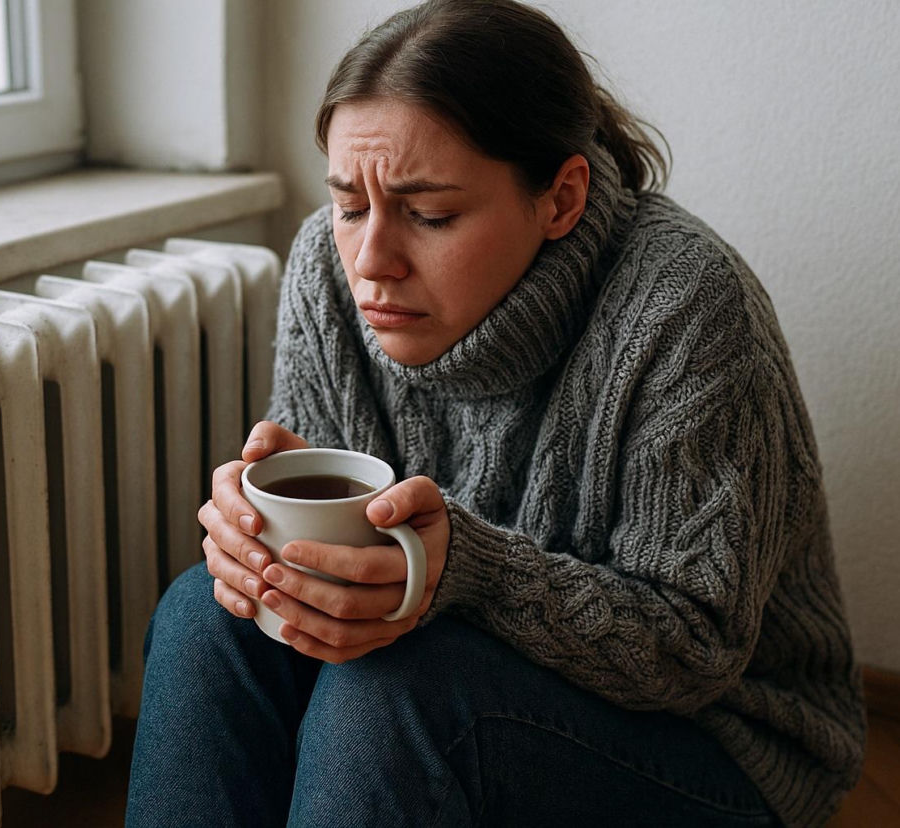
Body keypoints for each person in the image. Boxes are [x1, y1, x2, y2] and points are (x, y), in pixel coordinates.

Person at [125, 1, 866, 825]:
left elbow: (694, 651)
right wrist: (258, 549)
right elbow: (329, 563)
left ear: (560, 200)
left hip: (718, 738)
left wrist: (467, 574)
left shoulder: (687, 309)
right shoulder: (328, 272)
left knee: (400, 693)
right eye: (348, 205)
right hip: (451, 679)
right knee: (204, 614)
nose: (371, 262)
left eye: (430, 214)